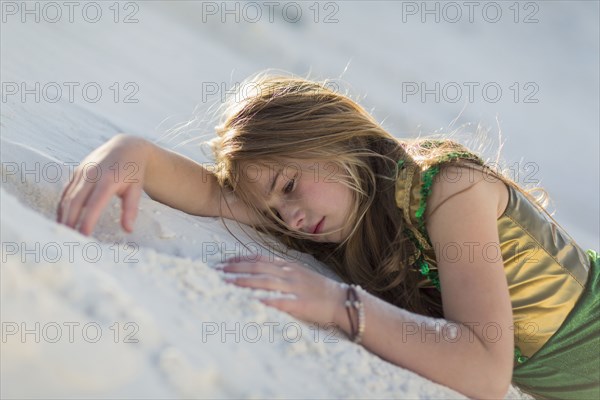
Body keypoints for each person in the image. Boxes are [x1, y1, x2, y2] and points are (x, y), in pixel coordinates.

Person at [57, 72, 599, 399]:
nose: (289, 218)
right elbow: (209, 196)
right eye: (273, 208)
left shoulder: (451, 190)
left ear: (333, 137)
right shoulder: (338, 217)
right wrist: (126, 152)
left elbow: (483, 371)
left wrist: (339, 304)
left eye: (289, 185)